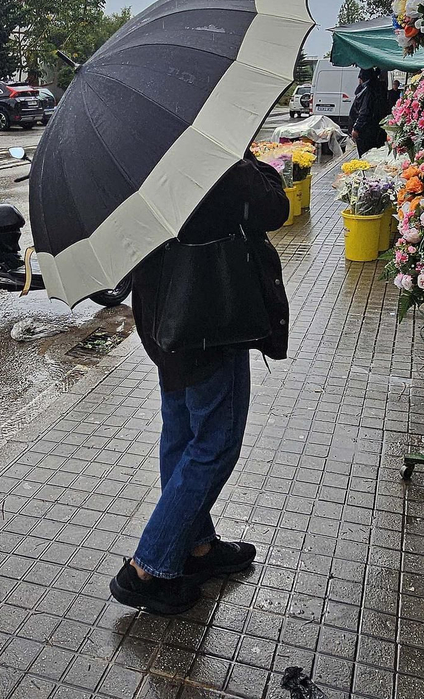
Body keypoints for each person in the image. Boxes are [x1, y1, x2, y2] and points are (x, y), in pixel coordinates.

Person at [110, 151, 290, 615]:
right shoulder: (209, 148)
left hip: (163, 314)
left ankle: (198, 547)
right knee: (213, 444)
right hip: (210, 317)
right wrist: (250, 159)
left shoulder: (134, 149)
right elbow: (274, 208)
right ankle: (148, 568)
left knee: (181, 434)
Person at [348, 66, 390, 155]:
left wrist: (356, 128)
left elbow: (365, 111)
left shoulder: (368, 91)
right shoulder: (377, 87)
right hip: (376, 130)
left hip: (366, 132)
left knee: (366, 156)